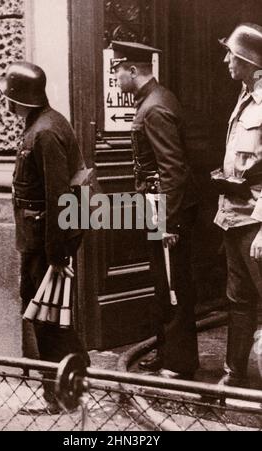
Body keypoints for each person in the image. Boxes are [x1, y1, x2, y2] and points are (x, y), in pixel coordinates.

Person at [0, 61, 89, 414]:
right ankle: (69, 388)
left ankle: (63, 395)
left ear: (19, 97)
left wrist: (57, 253)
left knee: (50, 320)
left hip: (45, 244)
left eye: (9, 96)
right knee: (48, 317)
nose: (7, 102)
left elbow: (57, 196)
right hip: (39, 241)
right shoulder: (42, 124)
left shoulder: (45, 131)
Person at [111, 41, 199, 380]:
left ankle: (178, 363)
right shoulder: (153, 100)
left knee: (173, 282)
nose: (116, 76)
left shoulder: (156, 107)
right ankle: (167, 353)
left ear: (133, 71)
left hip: (166, 208)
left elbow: (173, 169)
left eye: (117, 69)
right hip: (157, 204)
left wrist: (170, 221)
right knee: (164, 282)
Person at [214, 23, 262, 388]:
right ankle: (235, 374)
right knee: (239, 298)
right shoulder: (246, 96)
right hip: (234, 213)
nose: (226, 59)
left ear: (248, 59)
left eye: (231, 54)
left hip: (256, 217)